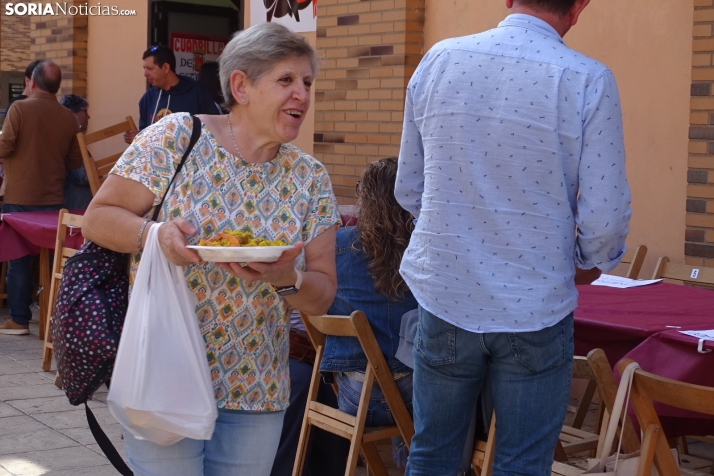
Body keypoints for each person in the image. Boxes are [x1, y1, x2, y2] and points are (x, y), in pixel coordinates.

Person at [83, 22, 340, 476]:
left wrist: (288, 279)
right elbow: (98, 218)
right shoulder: (177, 137)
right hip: (165, 371)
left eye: (307, 83)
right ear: (241, 85)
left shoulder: (310, 178)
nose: (301, 94)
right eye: (286, 80)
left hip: (255, 384)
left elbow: (321, 294)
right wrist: (156, 236)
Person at [395, 0, 632, 474]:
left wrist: (461, 235)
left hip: (446, 292)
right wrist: (585, 262)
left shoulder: (440, 59)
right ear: (580, 6)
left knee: (432, 452)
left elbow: (410, 187)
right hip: (536, 303)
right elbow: (605, 218)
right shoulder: (587, 78)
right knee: (522, 464)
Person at [319, 157, 418, 468]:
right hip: (415, 396)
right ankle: (414, 462)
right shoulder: (426, 251)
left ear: (365, 198)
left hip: (351, 395)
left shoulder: (334, 247)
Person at [0, 60, 83, 335]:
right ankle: (53, 319)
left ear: (31, 82)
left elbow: (6, 145)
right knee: (50, 261)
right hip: (54, 199)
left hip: (20, 196)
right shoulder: (68, 118)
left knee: (19, 260)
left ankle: (19, 319)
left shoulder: (19, 108)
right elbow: (74, 163)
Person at [123, 45, 218, 144]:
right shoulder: (148, 98)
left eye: (150, 68)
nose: (145, 73)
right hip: (156, 158)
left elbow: (215, 130)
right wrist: (137, 137)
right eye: (144, 68)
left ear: (165, 67)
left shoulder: (197, 93)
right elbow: (145, 133)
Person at [59, 94, 93, 210]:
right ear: (73, 113)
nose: (88, 117)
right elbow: (83, 176)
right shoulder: (70, 139)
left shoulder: (65, 136)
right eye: (85, 111)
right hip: (76, 206)